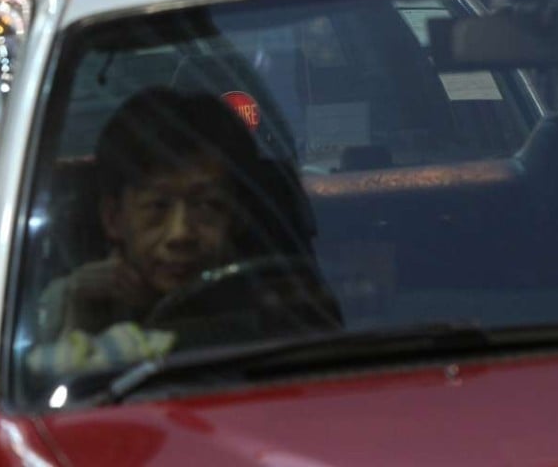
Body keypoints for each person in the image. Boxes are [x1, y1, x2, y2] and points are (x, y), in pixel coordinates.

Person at [31, 87, 336, 372]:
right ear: (113, 218)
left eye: (206, 206)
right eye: (158, 207)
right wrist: (81, 324)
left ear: (237, 216)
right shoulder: (60, 306)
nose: (181, 234)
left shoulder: (285, 302)